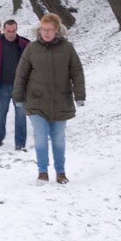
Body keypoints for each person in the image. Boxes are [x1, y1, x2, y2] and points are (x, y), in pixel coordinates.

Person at [14, 13, 85, 183]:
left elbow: (77, 71)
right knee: (40, 136)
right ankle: (42, 171)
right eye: (43, 29)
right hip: (36, 100)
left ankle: (60, 172)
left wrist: (79, 95)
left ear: (57, 31)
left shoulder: (67, 48)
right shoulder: (32, 48)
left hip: (61, 100)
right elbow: (21, 74)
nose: (46, 33)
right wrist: (18, 96)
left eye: (49, 30)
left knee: (58, 138)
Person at [0, 18, 30, 150]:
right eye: (8, 31)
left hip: (20, 86)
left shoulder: (25, 44)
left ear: (17, 30)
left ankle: (20, 143)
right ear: (4, 30)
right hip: (1, 85)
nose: (11, 34)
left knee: (21, 115)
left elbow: (33, 65)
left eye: (13, 31)